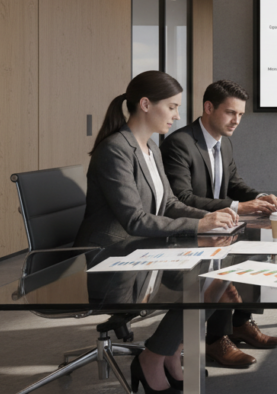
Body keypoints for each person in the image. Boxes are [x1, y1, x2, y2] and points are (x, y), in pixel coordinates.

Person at [74, 71, 238, 393]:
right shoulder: (115, 150)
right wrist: (200, 226)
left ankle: (166, 350)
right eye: (172, 107)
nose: (178, 116)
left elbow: (170, 203)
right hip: (112, 259)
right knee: (203, 278)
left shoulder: (150, 148)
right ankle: (153, 358)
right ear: (146, 104)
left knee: (219, 273)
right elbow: (134, 219)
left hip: (142, 252)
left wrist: (214, 216)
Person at [161, 79, 277, 365]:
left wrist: (261, 197)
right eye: (231, 113)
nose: (236, 121)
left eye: (240, 115)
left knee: (256, 244)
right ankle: (216, 339)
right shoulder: (180, 144)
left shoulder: (223, 143)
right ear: (208, 108)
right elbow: (182, 198)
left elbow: (234, 184)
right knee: (231, 255)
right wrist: (239, 206)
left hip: (218, 227)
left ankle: (241, 321)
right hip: (189, 230)